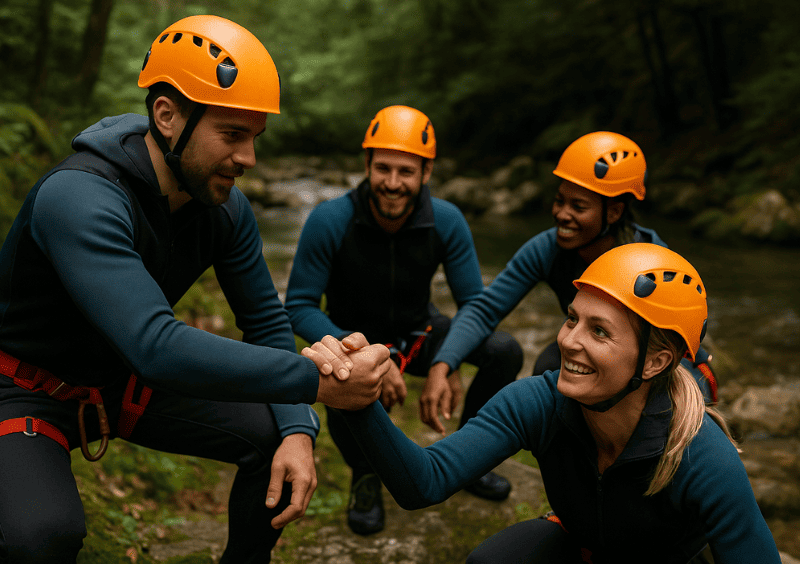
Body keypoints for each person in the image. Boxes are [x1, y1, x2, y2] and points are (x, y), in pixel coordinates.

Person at [0, 15, 390, 563]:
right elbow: (154, 346)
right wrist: (316, 383)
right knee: (42, 536)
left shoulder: (224, 208)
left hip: (117, 382)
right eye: (232, 135)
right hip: (24, 389)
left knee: (271, 434)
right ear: (167, 116)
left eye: (254, 138)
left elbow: (266, 322)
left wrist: (299, 428)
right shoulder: (80, 197)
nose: (249, 159)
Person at [335, 243, 781, 563]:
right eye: (572, 319)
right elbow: (424, 483)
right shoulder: (538, 402)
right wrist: (357, 400)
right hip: (582, 543)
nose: (568, 341)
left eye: (599, 331)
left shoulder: (703, 457)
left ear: (654, 361)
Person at [285, 105, 524, 535]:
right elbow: (300, 305)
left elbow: (474, 304)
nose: (393, 184)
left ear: (426, 173)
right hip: (353, 337)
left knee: (504, 350)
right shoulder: (330, 219)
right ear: (367, 166)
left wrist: (444, 363)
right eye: (383, 169)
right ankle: (365, 475)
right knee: (339, 366)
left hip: (419, 334)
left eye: (406, 172)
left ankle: (471, 456)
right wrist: (359, 350)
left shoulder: (446, 220)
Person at [429, 131, 718, 414]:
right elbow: (485, 309)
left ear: (614, 212)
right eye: (559, 201)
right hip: (600, 357)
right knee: (549, 366)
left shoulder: (653, 265)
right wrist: (444, 364)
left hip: (649, 369)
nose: (562, 214)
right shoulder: (548, 248)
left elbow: (674, 350)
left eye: (578, 206)